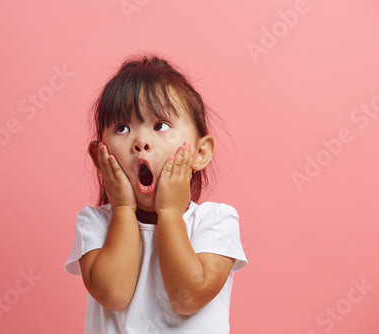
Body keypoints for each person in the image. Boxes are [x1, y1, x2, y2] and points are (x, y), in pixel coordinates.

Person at [64, 55, 248, 333]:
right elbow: (114, 295)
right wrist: (123, 208)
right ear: (99, 155)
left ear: (200, 152)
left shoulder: (216, 221)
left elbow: (188, 297)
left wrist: (171, 213)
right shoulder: (95, 224)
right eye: (122, 128)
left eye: (160, 125)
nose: (141, 142)